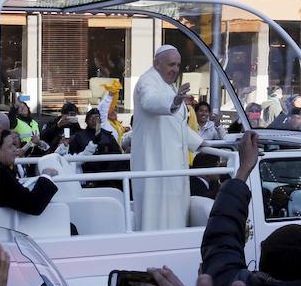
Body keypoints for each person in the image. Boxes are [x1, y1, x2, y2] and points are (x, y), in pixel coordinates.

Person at [131, 45, 204, 231]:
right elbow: (150, 102)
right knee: (154, 214)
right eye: (171, 64)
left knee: (174, 213)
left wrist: (201, 143)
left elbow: (176, 126)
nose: (175, 69)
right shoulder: (146, 81)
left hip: (171, 163)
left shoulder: (169, 84)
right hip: (155, 162)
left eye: (178, 65)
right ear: (157, 63)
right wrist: (175, 101)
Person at [0, 130, 58, 215]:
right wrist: (46, 175)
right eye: (10, 146)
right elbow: (33, 205)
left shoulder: (0, 170)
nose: (15, 149)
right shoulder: (0, 174)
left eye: (14, 144)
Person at [69, 108, 123, 178]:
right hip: (87, 173)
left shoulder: (108, 136)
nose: (94, 120)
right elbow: (73, 156)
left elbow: (117, 154)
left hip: (107, 174)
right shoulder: (79, 136)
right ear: (86, 121)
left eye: (97, 117)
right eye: (91, 118)